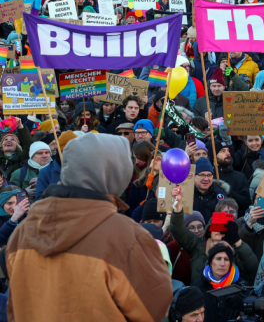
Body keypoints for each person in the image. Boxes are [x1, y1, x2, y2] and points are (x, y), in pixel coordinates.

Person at [6, 133, 172, 321]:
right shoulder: (125, 236)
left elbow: (14, 306)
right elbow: (153, 308)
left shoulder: (23, 231)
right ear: (116, 173)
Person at [192, 243, 247, 322]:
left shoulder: (242, 286)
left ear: (230, 263)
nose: (222, 264)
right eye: (218, 259)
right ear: (210, 262)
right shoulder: (197, 287)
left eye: (226, 259)